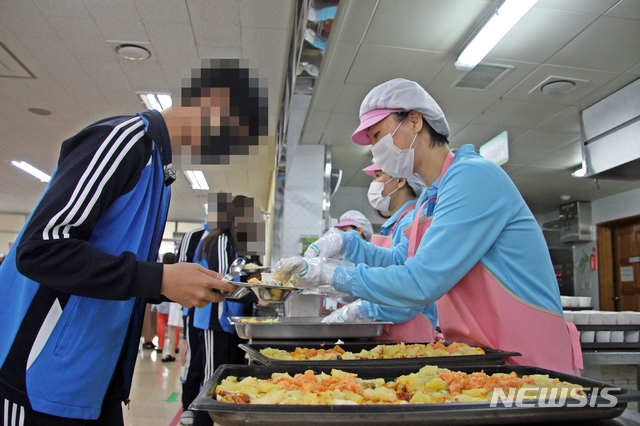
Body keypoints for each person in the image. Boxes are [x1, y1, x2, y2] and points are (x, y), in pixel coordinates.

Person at [0, 58, 267, 425]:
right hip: (42, 375)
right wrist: (157, 279)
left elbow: (110, 260)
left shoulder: (159, 168)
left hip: (95, 374)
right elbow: (42, 249)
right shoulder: (126, 141)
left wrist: (165, 281)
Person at [274, 78, 582, 375]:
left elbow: (421, 281)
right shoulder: (431, 198)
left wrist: (330, 274)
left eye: (378, 134)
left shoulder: (473, 178)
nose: (376, 150)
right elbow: (402, 263)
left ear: (414, 121)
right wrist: (348, 245)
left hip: (529, 358)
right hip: (485, 358)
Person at [321, 164, 440, 343]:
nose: (374, 183)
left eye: (378, 176)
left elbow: (411, 291)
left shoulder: (412, 224)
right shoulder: (395, 227)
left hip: (411, 337)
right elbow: (388, 278)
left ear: (400, 181)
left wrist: (364, 308)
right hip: (393, 333)